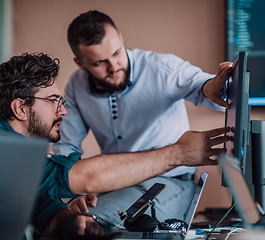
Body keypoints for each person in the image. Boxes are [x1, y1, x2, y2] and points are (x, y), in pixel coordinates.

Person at [0, 53, 231, 238]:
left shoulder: (20, 164)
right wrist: (178, 154)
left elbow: (48, 214)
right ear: (21, 108)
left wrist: (74, 221)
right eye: (53, 102)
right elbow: (83, 177)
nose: (64, 112)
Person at [52, 10, 233, 227]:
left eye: (117, 53)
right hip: (112, 186)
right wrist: (73, 193)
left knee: (92, 224)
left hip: (167, 183)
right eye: (100, 63)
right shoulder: (76, 86)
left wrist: (213, 87)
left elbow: (206, 87)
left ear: (121, 38)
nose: (114, 66)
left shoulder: (162, 69)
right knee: (60, 220)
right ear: (80, 64)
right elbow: (66, 146)